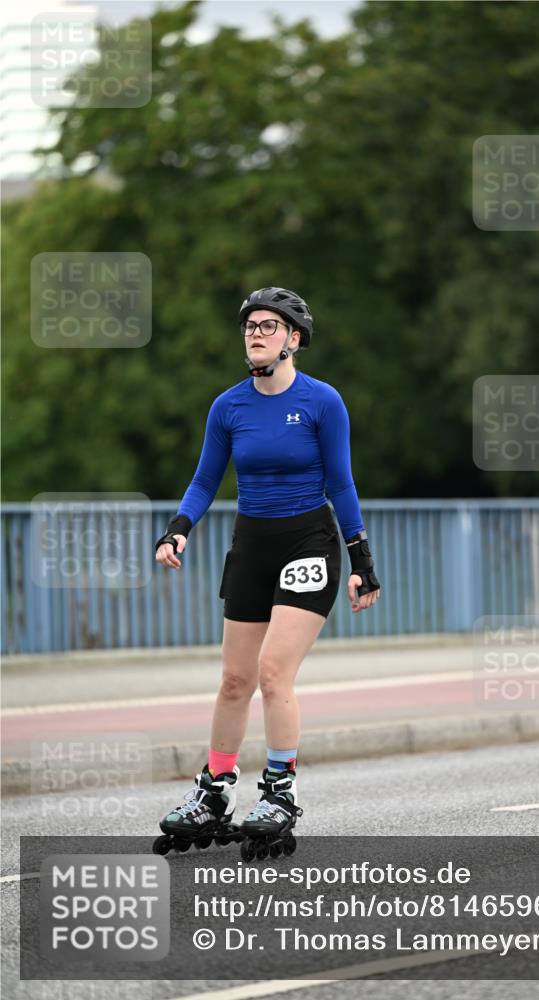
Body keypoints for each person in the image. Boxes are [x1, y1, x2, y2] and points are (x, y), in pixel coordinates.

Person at [154, 286, 381, 850]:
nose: (255, 334)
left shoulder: (322, 401)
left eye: (268, 326)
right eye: (250, 326)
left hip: (308, 541)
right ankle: (215, 790)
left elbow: (342, 482)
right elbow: (206, 479)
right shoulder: (228, 406)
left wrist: (361, 560)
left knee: (275, 673)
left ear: (293, 339)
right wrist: (179, 527)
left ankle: (280, 789)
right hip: (252, 544)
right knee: (235, 680)